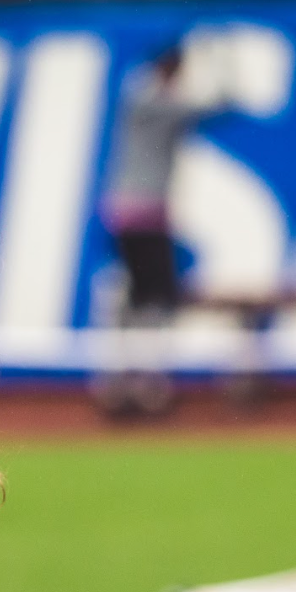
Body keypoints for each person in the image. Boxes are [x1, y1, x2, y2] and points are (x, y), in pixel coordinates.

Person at [96, 44, 212, 416]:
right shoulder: (156, 101)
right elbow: (207, 109)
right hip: (146, 216)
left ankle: (122, 380)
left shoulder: (134, 93)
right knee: (156, 297)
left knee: (134, 296)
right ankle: (145, 385)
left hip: (122, 214)